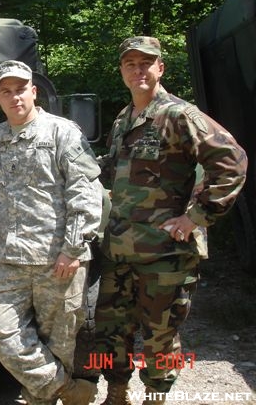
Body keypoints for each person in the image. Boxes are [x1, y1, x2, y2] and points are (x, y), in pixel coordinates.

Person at [95, 36, 248, 405]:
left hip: (165, 255)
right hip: (120, 250)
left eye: (145, 63)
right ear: (122, 72)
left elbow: (232, 163)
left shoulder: (180, 115)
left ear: (160, 68)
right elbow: (115, 171)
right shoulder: (123, 119)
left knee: (161, 335)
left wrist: (195, 217)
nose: (138, 70)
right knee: (111, 332)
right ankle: (117, 393)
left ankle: (156, 396)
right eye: (130, 64)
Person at [0, 60, 103, 405]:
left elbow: (85, 193)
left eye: (20, 89)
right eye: (6, 91)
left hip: (58, 259)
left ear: (33, 91)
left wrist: (72, 249)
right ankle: (68, 391)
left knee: (58, 343)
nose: (14, 97)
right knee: (2, 334)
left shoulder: (62, 132)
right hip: (10, 259)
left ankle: (43, 397)